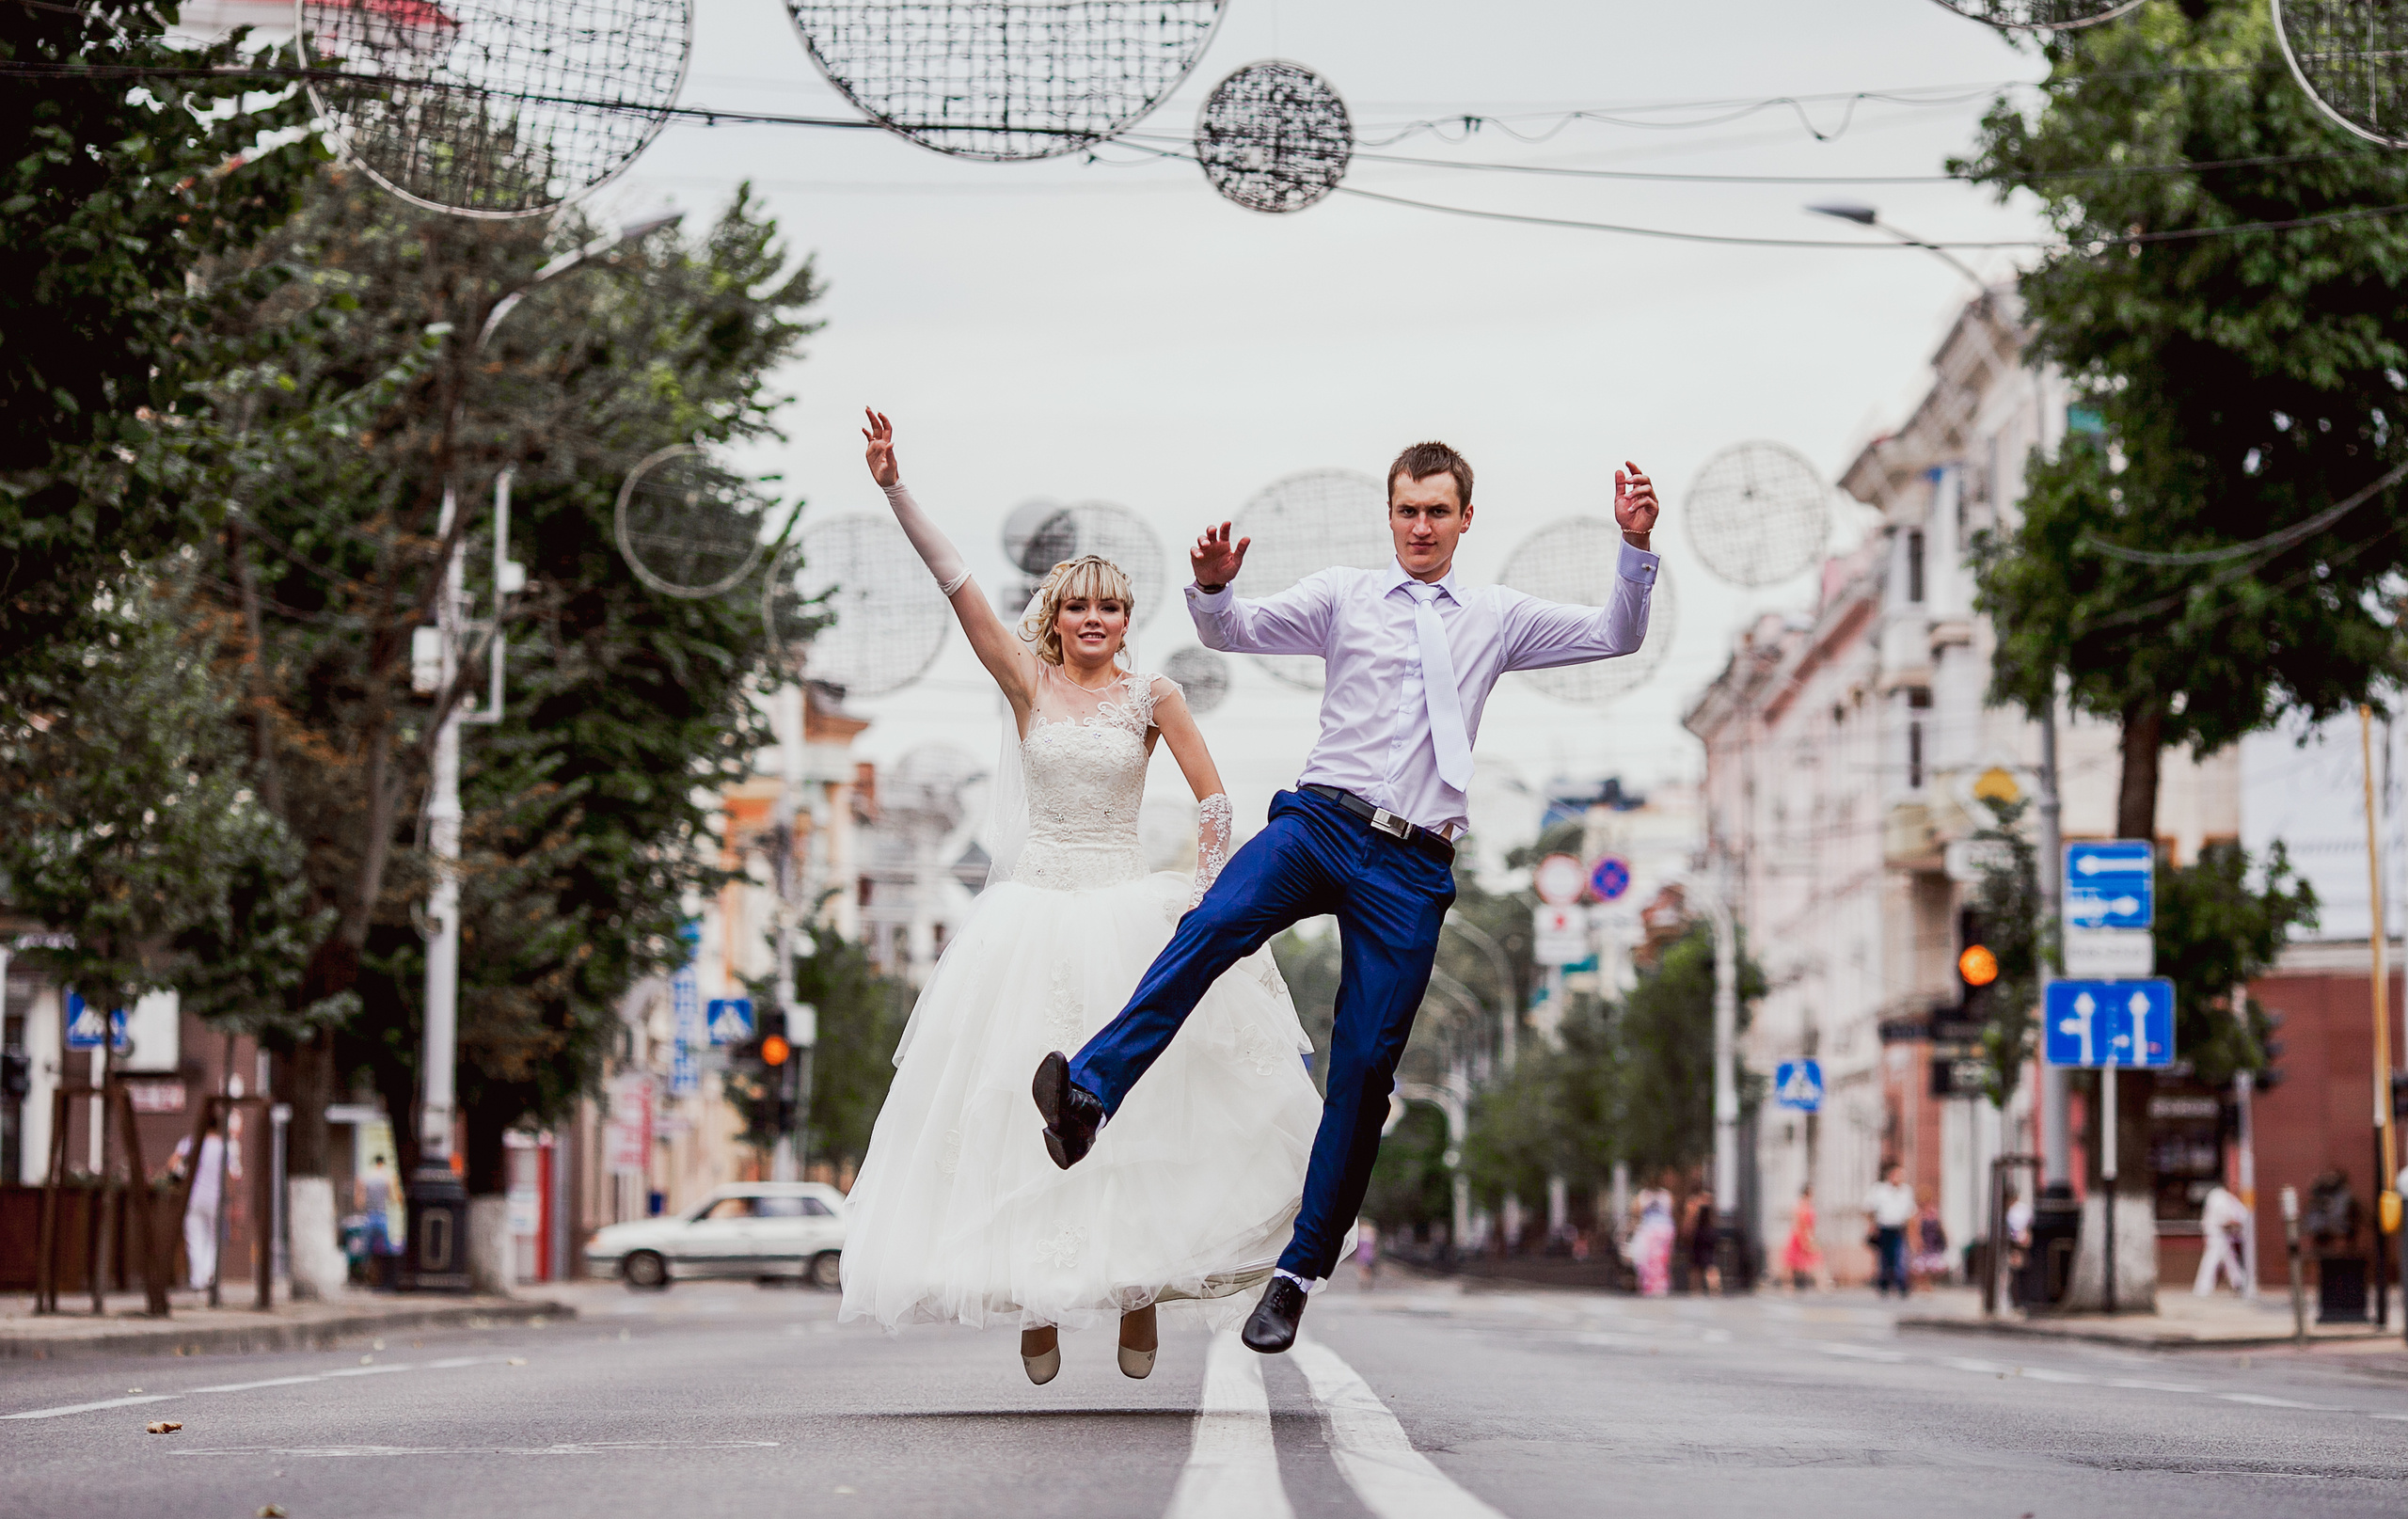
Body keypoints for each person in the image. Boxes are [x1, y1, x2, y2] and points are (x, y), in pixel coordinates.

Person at [1036, 438, 1660, 1354]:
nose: (1419, 526)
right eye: (1406, 510)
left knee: (1364, 1068)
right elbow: (1232, 631)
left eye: (1436, 512)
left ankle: (1298, 1271)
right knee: (1211, 924)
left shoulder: (1497, 616)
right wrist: (1210, 590)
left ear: (1463, 519)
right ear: (1390, 512)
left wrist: (1635, 548)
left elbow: (1616, 634)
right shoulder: (1343, 595)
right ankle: (1088, 1094)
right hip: (1318, 825)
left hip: (1411, 866)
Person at [837, 411, 1327, 1386]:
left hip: (1124, 907)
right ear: (1055, 618)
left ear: (1126, 621)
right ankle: (1035, 1297)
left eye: (1111, 608)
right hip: (1028, 914)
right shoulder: (1024, 682)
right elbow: (955, 584)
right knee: (1020, 1105)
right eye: (1078, 608)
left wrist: (1203, 887)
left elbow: (1216, 796)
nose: (1094, 621)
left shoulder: (1154, 697)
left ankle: (1139, 1288)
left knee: (1138, 1106)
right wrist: (895, 487)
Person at [170, 1118, 228, 1291]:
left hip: (193, 1197)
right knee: (213, 1238)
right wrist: (231, 1196)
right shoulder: (223, 1146)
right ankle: (209, 1273)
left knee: (194, 1238)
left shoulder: (190, 1142)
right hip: (215, 1197)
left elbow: (172, 1164)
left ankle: (197, 1279)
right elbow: (229, 1174)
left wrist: (183, 1175)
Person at [1864, 1161, 1915, 1297]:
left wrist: (1912, 1234)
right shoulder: (1880, 1190)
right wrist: (1872, 1226)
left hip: (1899, 1228)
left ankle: (1902, 1285)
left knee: (1900, 1257)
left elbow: (1911, 1214)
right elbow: (1869, 1209)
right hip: (1884, 1228)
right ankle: (1883, 1285)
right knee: (1885, 1258)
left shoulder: (1906, 1191)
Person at [2194, 1182, 2251, 1296]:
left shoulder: (2231, 1200)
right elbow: (2224, 1219)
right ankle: (2203, 1288)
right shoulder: (2218, 1197)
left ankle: (2238, 1283)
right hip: (2216, 1234)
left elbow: (2242, 1216)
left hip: (2225, 1235)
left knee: (2229, 1259)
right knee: (2213, 1259)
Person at [356, 1152, 403, 1290]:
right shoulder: (387, 1178)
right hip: (382, 1216)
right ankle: (386, 1280)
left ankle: (365, 1278)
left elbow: (359, 1201)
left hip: (369, 1216)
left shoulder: (366, 1177)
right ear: (382, 1163)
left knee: (367, 1250)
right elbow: (395, 1198)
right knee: (386, 1250)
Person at [1628, 1181, 1676, 1297]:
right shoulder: (1663, 1195)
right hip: (1661, 1232)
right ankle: (1655, 1287)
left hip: (1654, 1233)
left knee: (1652, 1261)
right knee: (1655, 1261)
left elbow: (1635, 1212)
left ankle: (1654, 1286)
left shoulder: (1647, 1195)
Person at [1782, 1184, 1824, 1292]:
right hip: (1801, 1236)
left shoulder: (1804, 1206)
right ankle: (1789, 1286)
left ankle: (1821, 1284)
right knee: (1793, 1261)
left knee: (1811, 1259)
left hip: (1802, 1235)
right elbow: (1801, 1223)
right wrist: (1806, 1238)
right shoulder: (1803, 1207)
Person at [1685, 1186, 1719, 1294]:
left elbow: (1690, 1220)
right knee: (1709, 1264)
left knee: (1696, 1267)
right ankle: (1714, 1291)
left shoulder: (1694, 1202)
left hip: (1698, 1236)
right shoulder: (1710, 1201)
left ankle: (1696, 1292)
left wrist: (1687, 1234)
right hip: (1708, 1234)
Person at [1909, 1191, 1950, 1285]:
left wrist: (1945, 1238)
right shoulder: (1918, 1214)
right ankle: (1923, 1284)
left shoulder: (1933, 1213)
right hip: (1924, 1242)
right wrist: (1916, 1241)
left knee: (1933, 1266)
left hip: (1933, 1242)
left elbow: (1941, 1227)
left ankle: (1928, 1283)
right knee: (1921, 1265)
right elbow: (1915, 1229)